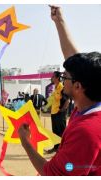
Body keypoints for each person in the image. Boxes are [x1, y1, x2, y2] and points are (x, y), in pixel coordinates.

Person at [18, 5, 101, 175]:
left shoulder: (87, 131)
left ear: (78, 86)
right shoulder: (90, 99)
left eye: (65, 78)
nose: (62, 81)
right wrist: (59, 21)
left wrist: (25, 141)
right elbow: (74, 60)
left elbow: (51, 173)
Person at [44, 71, 67, 153]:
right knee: (55, 132)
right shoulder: (55, 87)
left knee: (61, 132)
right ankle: (56, 148)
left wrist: (62, 110)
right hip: (53, 113)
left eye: (53, 76)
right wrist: (46, 107)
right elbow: (53, 100)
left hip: (59, 113)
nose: (51, 78)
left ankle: (63, 150)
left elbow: (67, 100)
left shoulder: (62, 87)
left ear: (57, 78)